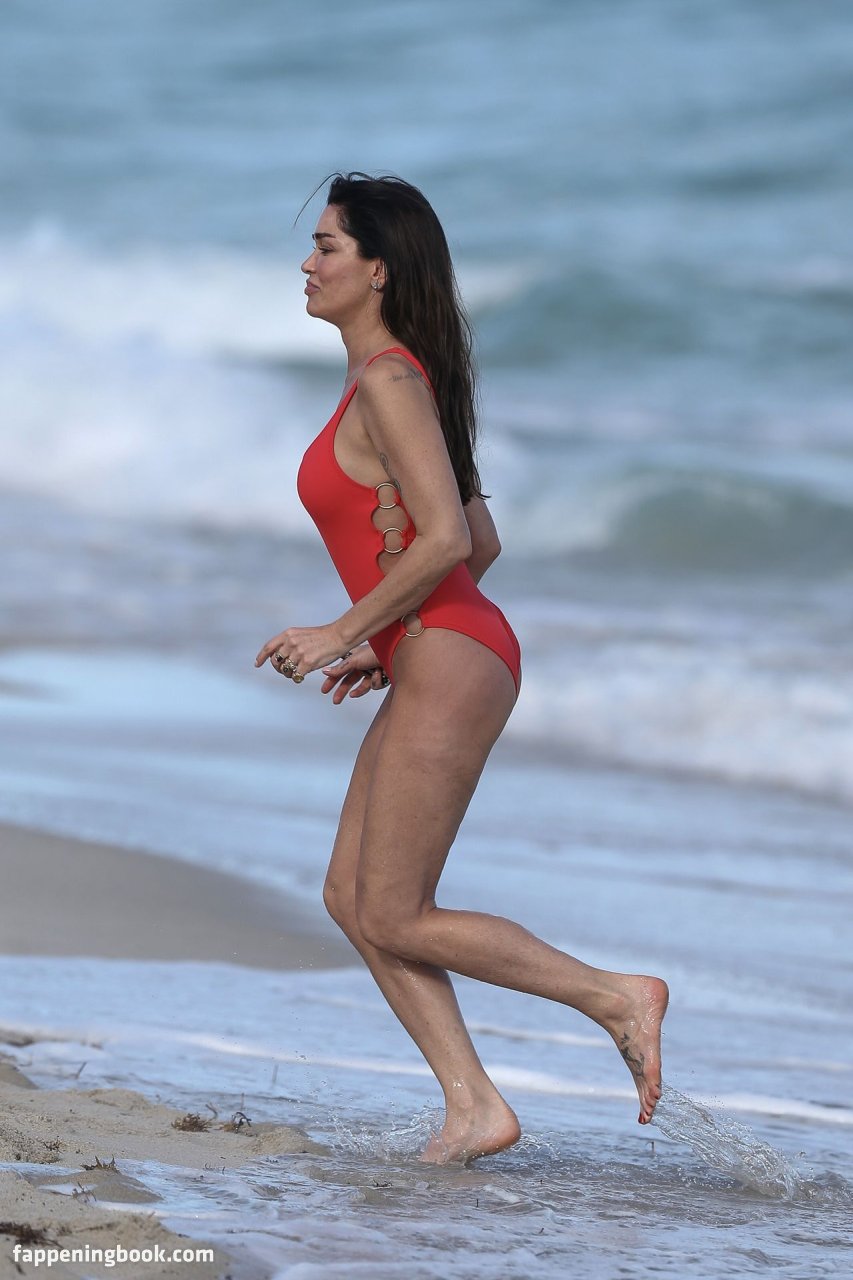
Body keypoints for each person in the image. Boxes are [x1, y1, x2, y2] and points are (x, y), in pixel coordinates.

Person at [255, 172, 668, 1163]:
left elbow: (442, 540)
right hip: (436, 647)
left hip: (452, 655)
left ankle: (616, 995)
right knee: (352, 899)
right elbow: (480, 539)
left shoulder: (392, 381)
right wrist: (383, 639)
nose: (307, 264)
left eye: (326, 246)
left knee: (397, 909)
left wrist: (342, 628)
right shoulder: (392, 378)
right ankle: (474, 1107)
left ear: (378, 269)